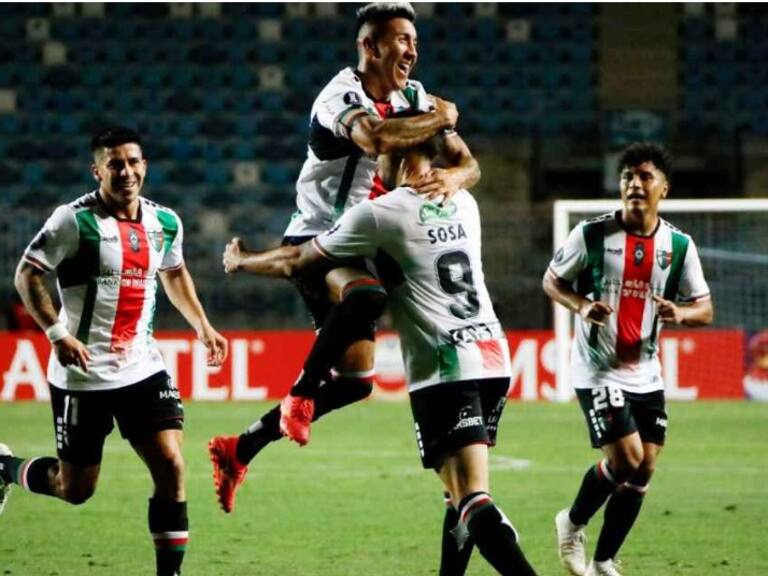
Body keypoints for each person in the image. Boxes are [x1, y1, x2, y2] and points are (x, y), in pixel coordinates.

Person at [221, 126, 537, 576]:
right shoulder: (465, 200)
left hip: (444, 365)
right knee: (461, 493)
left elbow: (296, 261)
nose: (372, 166)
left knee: (471, 498)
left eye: (377, 156)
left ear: (391, 154)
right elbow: (465, 161)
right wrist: (450, 140)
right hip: (493, 357)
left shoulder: (381, 213)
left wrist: (242, 259)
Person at [208, 1, 480, 514]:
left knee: (356, 383)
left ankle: (237, 448)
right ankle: (300, 395)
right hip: (314, 237)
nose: (412, 50)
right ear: (370, 47)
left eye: (414, 41)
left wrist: (452, 176)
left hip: (363, 239)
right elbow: (376, 140)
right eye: (401, 39)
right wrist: (438, 118)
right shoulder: (339, 96)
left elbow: (469, 164)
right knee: (366, 294)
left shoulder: (415, 96)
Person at [0, 126, 228, 576]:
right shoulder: (73, 220)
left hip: (142, 368)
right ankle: (4, 467)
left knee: (171, 465)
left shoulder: (165, 221)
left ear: (145, 165)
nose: (126, 171)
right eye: (115, 164)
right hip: (83, 373)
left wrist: (202, 325)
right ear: (98, 170)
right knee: (75, 488)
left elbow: (174, 273)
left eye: (133, 162)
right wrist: (57, 334)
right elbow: (27, 275)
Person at [543, 143, 713, 576]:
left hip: (646, 371)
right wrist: (582, 306)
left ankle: (603, 561)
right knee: (626, 460)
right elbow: (552, 281)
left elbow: (704, 309)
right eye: (627, 178)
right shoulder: (591, 235)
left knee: (644, 470)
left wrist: (681, 313)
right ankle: (573, 521)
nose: (635, 184)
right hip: (597, 369)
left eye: (645, 177)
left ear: (664, 188)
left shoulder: (679, 245)